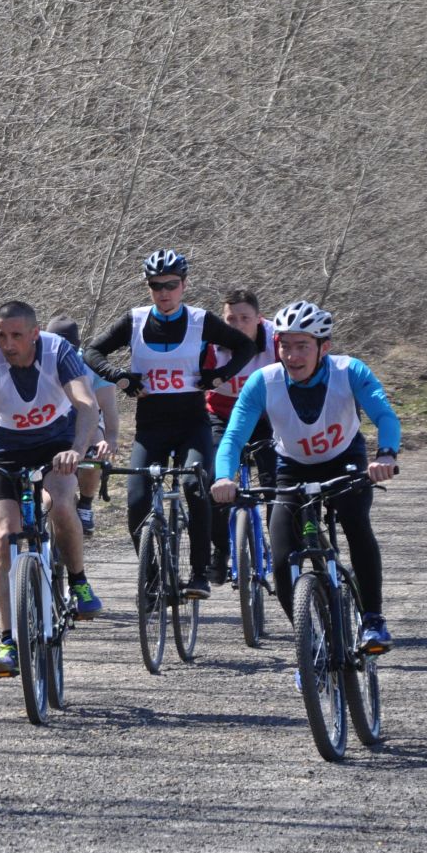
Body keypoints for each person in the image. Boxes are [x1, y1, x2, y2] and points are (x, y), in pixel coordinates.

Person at [210, 301, 401, 654]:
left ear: (323, 348)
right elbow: (233, 437)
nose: (292, 356)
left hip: (345, 462)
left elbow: (385, 416)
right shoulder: (262, 382)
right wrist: (224, 477)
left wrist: (386, 454)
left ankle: (373, 619)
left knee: (357, 524)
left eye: (302, 346)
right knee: (283, 560)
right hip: (292, 468)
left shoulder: (350, 371)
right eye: (285, 346)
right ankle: (310, 640)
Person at [0, 301, 112, 678]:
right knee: (5, 536)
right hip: (6, 453)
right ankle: (8, 642)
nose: (7, 343)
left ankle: (79, 583)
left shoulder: (58, 351)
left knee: (62, 504)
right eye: (1, 334)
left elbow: (86, 406)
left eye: (16, 335)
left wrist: (77, 449)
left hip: (57, 449)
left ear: (35, 333)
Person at [82, 250, 258, 600]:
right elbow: (92, 351)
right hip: (151, 428)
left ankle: (198, 574)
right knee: (136, 500)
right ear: (148, 287)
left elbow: (244, 347)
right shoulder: (134, 320)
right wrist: (118, 377)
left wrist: (220, 375)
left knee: (196, 486)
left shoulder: (199, 320)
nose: (164, 292)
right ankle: (151, 580)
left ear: (184, 285)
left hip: (192, 424)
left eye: (171, 285)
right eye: (156, 286)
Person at [203, 288, 276, 585]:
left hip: (265, 417)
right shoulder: (209, 345)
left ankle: (283, 544)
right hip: (220, 415)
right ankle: (220, 551)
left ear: (259, 319)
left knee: (275, 480)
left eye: (244, 318)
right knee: (214, 478)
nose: (236, 326)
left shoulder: (275, 340)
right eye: (230, 319)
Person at [48, 315, 119, 536]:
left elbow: (108, 407)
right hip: (50, 423)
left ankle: (86, 504)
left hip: (86, 421)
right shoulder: (37, 359)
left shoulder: (91, 365)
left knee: (94, 451)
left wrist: (111, 439)